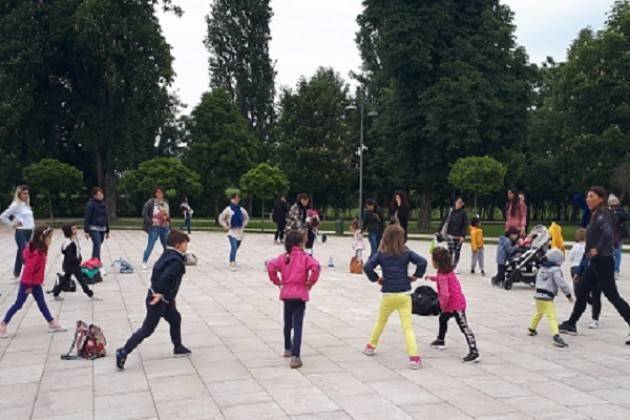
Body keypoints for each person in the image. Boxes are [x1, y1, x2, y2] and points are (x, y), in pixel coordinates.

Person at [559, 186, 630, 345]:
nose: (588, 199)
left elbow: (607, 233)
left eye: (591, 196)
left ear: (600, 199)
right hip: (595, 262)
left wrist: (597, 248)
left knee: (612, 295)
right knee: (582, 290)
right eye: (587, 196)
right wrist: (583, 266)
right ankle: (571, 324)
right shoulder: (596, 215)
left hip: (603, 261)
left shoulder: (602, 215)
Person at [116, 230, 192, 369]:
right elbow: (166, 277)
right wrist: (160, 293)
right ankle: (123, 351)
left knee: (175, 318)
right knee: (147, 329)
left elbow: (158, 271)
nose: (187, 247)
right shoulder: (175, 261)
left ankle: (178, 347)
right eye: (185, 244)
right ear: (177, 245)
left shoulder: (168, 254)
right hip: (158, 300)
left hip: (164, 299)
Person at [362, 225, 427, 370]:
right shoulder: (407, 252)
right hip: (404, 294)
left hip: (388, 294)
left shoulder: (381, 254)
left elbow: (367, 267)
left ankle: (370, 346)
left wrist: (376, 279)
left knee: (381, 322)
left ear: (385, 237)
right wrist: (416, 276)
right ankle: (414, 358)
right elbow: (422, 262)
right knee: (407, 327)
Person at [266, 230, 321, 369]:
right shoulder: (304, 257)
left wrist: (277, 281)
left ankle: (287, 348)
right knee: (298, 325)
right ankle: (295, 356)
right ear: (301, 243)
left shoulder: (283, 258)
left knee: (287, 323)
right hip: (300, 294)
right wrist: (310, 282)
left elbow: (270, 266)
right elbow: (316, 267)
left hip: (287, 294)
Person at [0, 226, 66, 338]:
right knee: (19, 304)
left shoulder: (37, 250)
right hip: (28, 283)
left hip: (35, 283)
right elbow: (29, 269)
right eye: (49, 237)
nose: (51, 240)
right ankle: (3, 324)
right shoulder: (38, 253)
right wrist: (29, 285)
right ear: (41, 238)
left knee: (42, 303)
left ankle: (51, 322)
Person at [427, 247, 480, 363]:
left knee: (464, 327)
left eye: (433, 260)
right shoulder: (447, 272)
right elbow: (443, 280)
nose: (432, 262)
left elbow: (445, 295)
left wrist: (442, 306)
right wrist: (432, 278)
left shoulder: (442, 275)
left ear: (437, 262)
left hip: (456, 305)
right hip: (452, 304)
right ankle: (440, 340)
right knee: (443, 319)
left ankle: (474, 351)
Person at [528, 248, 573, 348]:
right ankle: (556, 336)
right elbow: (561, 282)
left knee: (539, 312)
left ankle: (532, 328)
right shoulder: (555, 270)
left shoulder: (541, 268)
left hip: (538, 295)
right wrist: (568, 294)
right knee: (552, 316)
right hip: (547, 297)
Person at [52, 224, 99, 301]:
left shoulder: (71, 240)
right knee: (82, 280)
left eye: (76, 228)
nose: (75, 230)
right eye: (73, 229)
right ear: (69, 231)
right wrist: (77, 261)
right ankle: (90, 295)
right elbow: (70, 255)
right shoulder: (69, 243)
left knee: (65, 279)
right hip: (72, 265)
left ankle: (56, 293)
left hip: (69, 265)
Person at [1, 185, 35, 279]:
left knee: (21, 252)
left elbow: (29, 219)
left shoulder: (26, 205)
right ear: (19, 194)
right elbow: (3, 216)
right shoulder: (15, 205)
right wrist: (12, 224)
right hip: (21, 232)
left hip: (29, 232)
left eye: (27, 193)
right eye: (24, 193)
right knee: (26, 252)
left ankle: (16, 272)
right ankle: (31, 274)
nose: (26, 195)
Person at [568, 228, 600, 329]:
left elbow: (571, 257)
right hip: (587, 269)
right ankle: (592, 310)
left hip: (588, 269)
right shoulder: (589, 246)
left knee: (584, 292)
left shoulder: (578, 246)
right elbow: (584, 260)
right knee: (586, 293)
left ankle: (593, 311)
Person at [141, 187, 171, 271]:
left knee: (166, 245)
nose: (159, 194)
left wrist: (167, 220)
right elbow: (144, 213)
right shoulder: (151, 202)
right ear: (155, 193)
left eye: (161, 192)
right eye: (157, 192)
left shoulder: (165, 203)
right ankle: (144, 261)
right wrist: (150, 221)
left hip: (164, 227)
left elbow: (168, 214)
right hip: (154, 227)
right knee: (150, 245)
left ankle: (166, 261)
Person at [219, 194, 250, 271]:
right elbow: (221, 218)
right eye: (235, 199)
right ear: (231, 200)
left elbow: (246, 218)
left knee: (236, 247)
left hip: (239, 231)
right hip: (232, 231)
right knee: (233, 246)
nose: (236, 200)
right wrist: (226, 226)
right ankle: (232, 261)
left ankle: (232, 257)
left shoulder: (241, 209)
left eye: (237, 199)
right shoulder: (228, 209)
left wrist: (243, 224)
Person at [438, 196, 468, 269]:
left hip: (458, 236)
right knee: (450, 251)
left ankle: (455, 266)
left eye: (461, 203)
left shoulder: (463, 214)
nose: (459, 204)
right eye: (458, 202)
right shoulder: (450, 211)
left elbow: (465, 225)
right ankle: (449, 265)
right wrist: (438, 231)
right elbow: (444, 222)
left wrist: (463, 236)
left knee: (457, 251)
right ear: (455, 202)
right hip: (450, 235)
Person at [83, 187, 110, 266]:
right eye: (99, 194)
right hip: (93, 228)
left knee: (97, 246)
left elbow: (106, 217)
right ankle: (98, 264)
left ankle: (93, 262)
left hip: (102, 228)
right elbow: (87, 217)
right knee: (97, 245)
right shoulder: (91, 204)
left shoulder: (103, 204)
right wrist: (86, 231)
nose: (101, 196)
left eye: (102, 194)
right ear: (94, 196)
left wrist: (107, 230)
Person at [609, 194, 628, 279]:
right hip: (609, 233)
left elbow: (627, 216)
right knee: (609, 253)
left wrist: (616, 212)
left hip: (618, 234)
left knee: (617, 252)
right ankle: (610, 269)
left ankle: (616, 270)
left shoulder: (621, 211)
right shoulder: (607, 211)